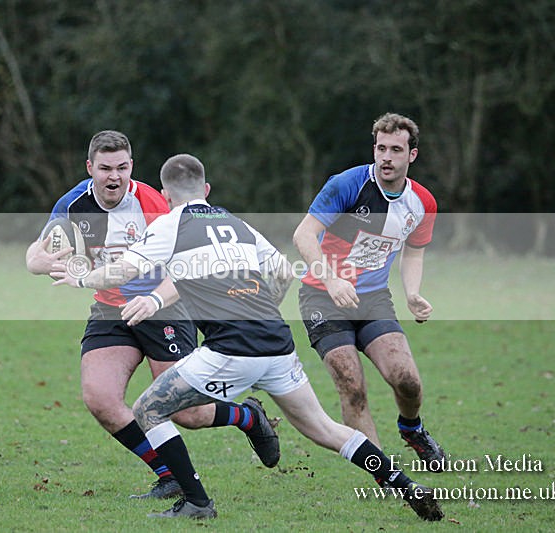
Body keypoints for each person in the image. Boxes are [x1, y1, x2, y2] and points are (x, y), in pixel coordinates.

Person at [51, 153, 444, 521]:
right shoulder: (238, 223)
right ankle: (404, 484)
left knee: (148, 410)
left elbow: (122, 273)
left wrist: (81, 276)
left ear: (166, 195)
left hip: (229, 350)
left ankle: (196, 502)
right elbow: (284, 273)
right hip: (277, 344)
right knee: (326, 429)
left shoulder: (169, 224)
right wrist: (262, 306)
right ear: (206, 190)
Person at [26, 131, 280, 500]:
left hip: (167, 308)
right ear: (89, 168)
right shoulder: (75, 203)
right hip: (110, 310)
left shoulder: (156, 206)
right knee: (101, 399)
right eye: (105, 169)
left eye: (122, 168)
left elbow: (190, 268)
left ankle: (248, 416)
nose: (114, 177)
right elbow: (39, 248)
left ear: (132, 166)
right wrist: (36, 261)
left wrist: (155, 301)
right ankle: (169, 475)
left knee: (186, 414)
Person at [292, 113, 447, 474]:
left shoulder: (422, 202)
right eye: (381, 148)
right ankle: (385, 474)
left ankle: (412, 429)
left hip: (374, 298)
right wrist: (331, 279)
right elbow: (303, 235)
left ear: (412, 155)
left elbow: (414, 250)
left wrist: (412, 293)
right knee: (352, 386)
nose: (386, 157)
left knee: (407, 380)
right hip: (322, 297)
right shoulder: (347, 185)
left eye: (396, 149)